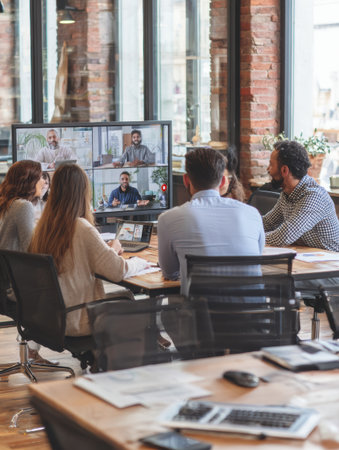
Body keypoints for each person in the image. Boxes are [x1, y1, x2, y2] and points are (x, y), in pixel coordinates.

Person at [29, 164, 149, 336]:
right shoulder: (81, 227)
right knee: (128, 297)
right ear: (82, 193)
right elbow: (118, 271)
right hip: (79, 318)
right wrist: (141, 262)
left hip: (51, 317)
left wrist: (109, 251)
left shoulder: (43, 227)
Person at [158, 147, 265, 295]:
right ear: (222, 181)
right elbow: (255, 258)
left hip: (199, 316)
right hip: (254, 315)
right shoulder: (252, 214)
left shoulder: (167, 219)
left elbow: (170, 273)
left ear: (186, 180)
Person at [0, 160, 49, 362]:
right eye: (40, 178)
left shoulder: (6, 203)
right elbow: (32, 250)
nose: (44, 182)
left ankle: (31, 350)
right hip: (13, 287)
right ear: (28, 181)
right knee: (60, 289)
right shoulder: (22, 206)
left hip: (3, 284)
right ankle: (33, 349)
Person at [263, 140, 339, 251]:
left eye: (271, 164)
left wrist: (251, 237)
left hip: (332, 262)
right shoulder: (287, 193)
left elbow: (284, 236)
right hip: (309, 258)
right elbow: (267, 223)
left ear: (284, 170)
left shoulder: (314, 197)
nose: (268, 169)